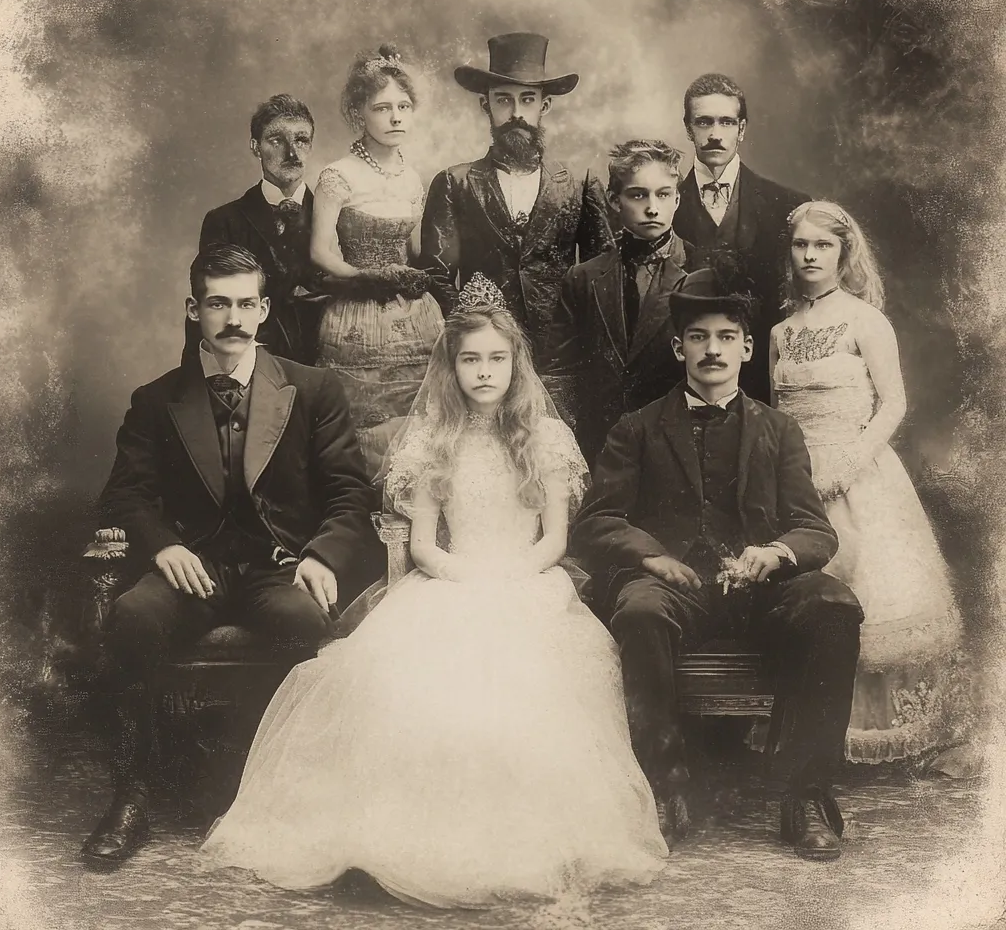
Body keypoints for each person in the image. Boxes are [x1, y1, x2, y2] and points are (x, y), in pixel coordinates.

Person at [200, 275, 668, 906]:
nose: (484, 372)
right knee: (407, 684)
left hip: (527, 580)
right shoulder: (432, 441)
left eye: (496, 359)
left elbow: (555, 539)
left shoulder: (545, 439)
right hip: (451, 577)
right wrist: (463, 577)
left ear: (516, 365)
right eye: (470, 360)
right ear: (451, 367)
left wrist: (508, 578)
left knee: (532, 686)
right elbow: (422, 544)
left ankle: (516, 838)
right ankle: (403, 836)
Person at [82, 245, 382, 865]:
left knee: (306, 625)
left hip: (279, 565)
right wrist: (164, 544)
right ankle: (132, 797)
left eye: (247, 304)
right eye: (218, 304)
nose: (234, 319)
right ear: (195, 310)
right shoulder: (156, 399)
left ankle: (291, 795)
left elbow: (350, 492)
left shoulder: (312, 389)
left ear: (265, 309)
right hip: (194, 566)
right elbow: (125, 494)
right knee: (132, 618)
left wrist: (322, 556)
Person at [571, 267, 864, 861]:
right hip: (675, 588)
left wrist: (776, 552)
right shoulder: (637, 429)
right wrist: (652, 556)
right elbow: (596, 522)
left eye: (726, 337)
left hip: (760, 591)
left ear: (747, 349)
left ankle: (805, 795)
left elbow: (814, 529)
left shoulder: (779, 430)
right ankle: (664, 788)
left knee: (833, 605)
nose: (712, 349)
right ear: (679, 348)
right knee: (639, 609)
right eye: (699, 337)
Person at [770, 201, 962, 763]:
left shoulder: (864, 320)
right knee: (810, 601)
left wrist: (847, 466)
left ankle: (866, 735)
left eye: (822, 245)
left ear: (843, 252)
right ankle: (808, 733)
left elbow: (893, 403)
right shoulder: (780, 331)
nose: (810, 256)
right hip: (795, 477)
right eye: (801, 245)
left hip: (859, 473)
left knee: (868, 597)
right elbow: (775, 415)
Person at [419, 32, 614, 356]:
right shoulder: (455, 183)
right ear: (486, 104)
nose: (515, 113)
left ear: (544, 105)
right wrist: (473, 335)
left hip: (562, 358)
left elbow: (603, 273)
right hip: (486, 355)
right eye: (503, 100)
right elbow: (437, 275)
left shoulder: (579, 184)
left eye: (527, 99)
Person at [307, 46, 450, 476]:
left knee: (420, 421)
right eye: (382, 108)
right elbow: (319, 251)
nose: (395, 118)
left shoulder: (412, 176)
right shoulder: (338, 175)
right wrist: (365, 278)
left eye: (403, 107)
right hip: (356, 312)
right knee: (361, 425)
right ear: (359, 113)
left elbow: (414, 252)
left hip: (414, 314)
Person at [541, 139, 689, 463]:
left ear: (677, 199)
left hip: (677, 444)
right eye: (638, 195)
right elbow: (559, 372)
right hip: (600, 445)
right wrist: (568, 438)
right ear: (613, 200)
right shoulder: (583, 277)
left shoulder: (702, 271)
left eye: (663, 194)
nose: (652, 208)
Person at [673, 73, 810, 402]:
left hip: (764, 377)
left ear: (742, 129)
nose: (715, 134)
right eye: (703, 122)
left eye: (726, 122)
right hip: (684, 377)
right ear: (688, 129)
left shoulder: (787, 205)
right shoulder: (664, 206)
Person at [189, 95, 319, 363]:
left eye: (301, 140)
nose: (292, 153)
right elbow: (210, 309)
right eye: (276, 141)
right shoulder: (224, 221)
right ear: (255, 147)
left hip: (324, 363)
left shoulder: (335, 218)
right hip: (252, 367)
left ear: (311, 145)